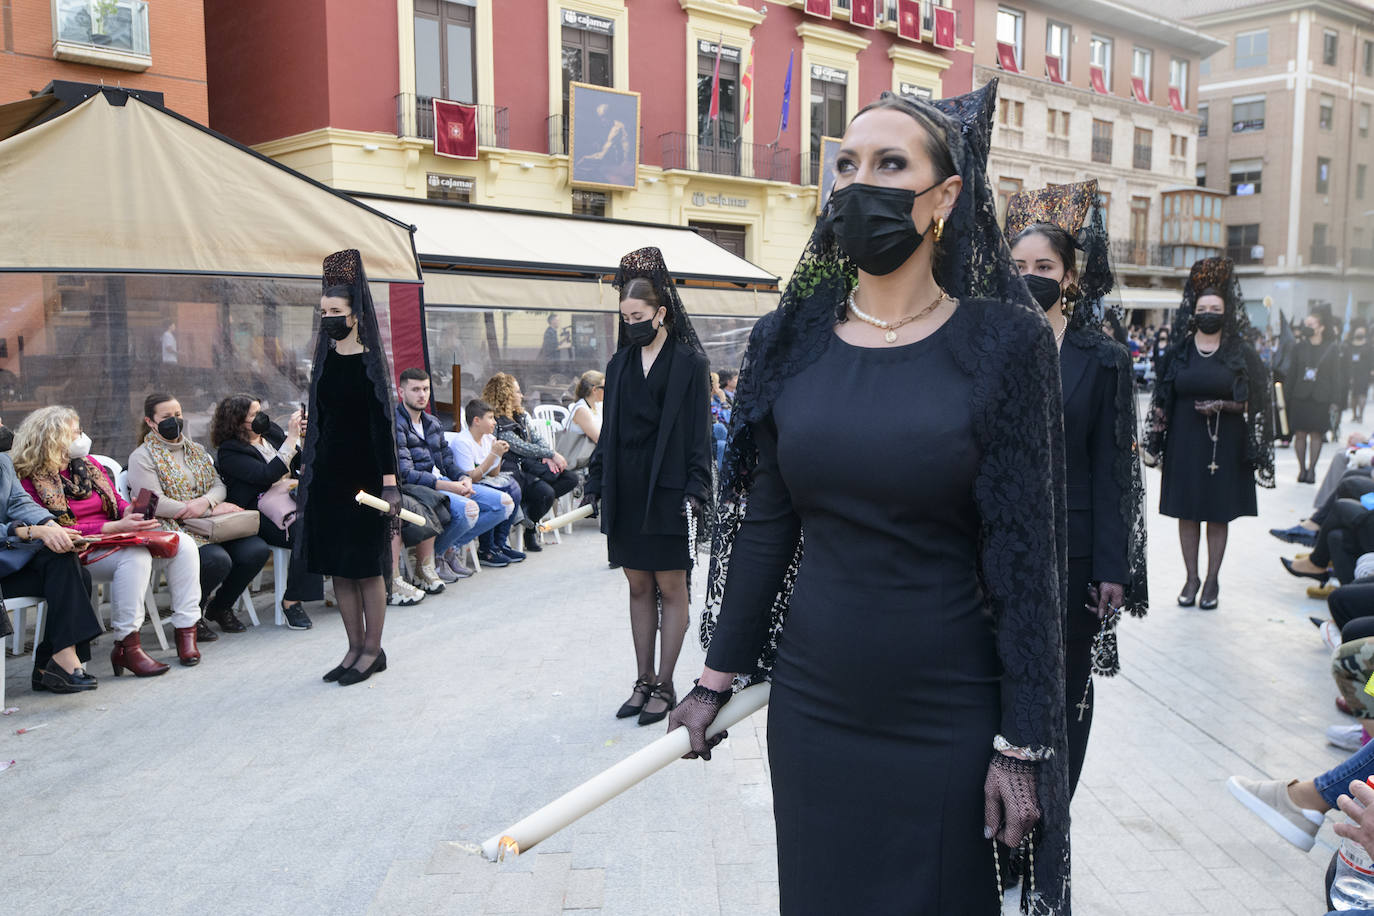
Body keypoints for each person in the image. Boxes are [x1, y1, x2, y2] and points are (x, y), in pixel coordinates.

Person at [669, 87, 1071, 913]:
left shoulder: (1005, 343)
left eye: (891, 164)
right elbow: (767, 526)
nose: (861, 184)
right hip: (815, 706)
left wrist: (1023, 741)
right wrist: (713, 677)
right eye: (846, 165)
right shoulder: (790, 336)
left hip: (950, 707)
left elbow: (1027, 555)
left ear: (945, 197)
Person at [1007, 179, 1148, 797]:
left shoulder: (1103, 358)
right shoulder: (989, 346)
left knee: (1065, 691)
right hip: (1000, 546)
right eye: (1019, 266)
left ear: (1068, 278)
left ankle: (1052, 818)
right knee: (1001, 684)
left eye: (1044, 265)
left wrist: (1114, 567)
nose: (1031, 275)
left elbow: (1117, 468)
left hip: (1075, 552)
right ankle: (1000, 822)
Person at [582, 248, 713, 727]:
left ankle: (665, 681)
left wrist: (696, 489)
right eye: (624, 317)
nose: (631, 324)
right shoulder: (618, 365)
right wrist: (596, 481)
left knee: (670, 585)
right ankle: (642, 681)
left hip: (671, 487)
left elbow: (699, 437)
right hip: (627, 485)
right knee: (637, 584)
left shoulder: (690, 364)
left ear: (661, 313)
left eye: (637, 316)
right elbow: (610, 431)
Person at [14, 407, 202, 674]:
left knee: (183, 543)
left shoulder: (89, 465)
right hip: (77, 550)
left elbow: (116, 500)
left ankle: (186, 630)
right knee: (136, 557)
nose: (82, 436)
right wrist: (113, 526)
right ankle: (127, 645)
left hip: (116, 536)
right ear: (52, 437)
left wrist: (129, 510)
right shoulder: (30, 478)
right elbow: (54, 527)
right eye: (74, 432)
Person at [1144, 258, 1275, 610]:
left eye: (1215, 308)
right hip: (1185, 441)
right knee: (1187, 513)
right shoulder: (1178, 352)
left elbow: (1261, 399)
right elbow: (1162, 399)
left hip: (1226, 444)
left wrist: (1225, 405)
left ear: (1226, 311)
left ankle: (1212, 580)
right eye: (1203, 308)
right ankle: (1191, 577)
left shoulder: (1241, 352)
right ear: (1193, 310)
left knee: (1217, 514)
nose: (1209, 313)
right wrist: (1154, 443)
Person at [297, 249, 400, 686]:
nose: (328, 319)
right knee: (340, 568)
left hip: (365, 481)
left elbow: (383, 429)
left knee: (366, 567)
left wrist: (391, 485)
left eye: (335, 312)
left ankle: (373, 651)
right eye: (323, 312)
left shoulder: (370, 364)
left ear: (356, 314)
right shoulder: (324, 361)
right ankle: (353, 647)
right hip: (327, 478)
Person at [128, 392, 270, 637]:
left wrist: (206, 503)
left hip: (210, 523)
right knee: (217, 560)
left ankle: (221, 606)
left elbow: (219, 485)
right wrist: (201, 509)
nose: (174, 420)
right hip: (172, 526)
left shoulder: (195, 449)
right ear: (151, 422)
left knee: (255, 550)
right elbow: (152, 503)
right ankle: (191, 615)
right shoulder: (141, 457)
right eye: (166, 417)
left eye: (178, 415)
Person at [0, 422, 103, 694]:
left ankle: (57, 660)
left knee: (65, 559)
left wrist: (53, 527)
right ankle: (53, 663)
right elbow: (19, 523)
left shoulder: (1, 460)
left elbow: (18, 502)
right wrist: (30, 531)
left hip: (7, 558)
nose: (2, 426)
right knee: (71, 571)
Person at [211, 394, 320, 630]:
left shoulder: (269, 434)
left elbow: (301, 461)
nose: (261, 418)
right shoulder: (230, 451)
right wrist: (291, 439)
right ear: (237, 421)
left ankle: (349, 584)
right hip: (256, 512)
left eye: (260, 411)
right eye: (253, 415)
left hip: (287, 501)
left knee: (325, 520)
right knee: (305, 531)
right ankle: (292, 602)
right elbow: (266, 475)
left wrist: (303, 436)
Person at [394, 367, 511, 578]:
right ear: (401, 392)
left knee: (504, 504)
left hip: (445, 481)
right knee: (470, 510)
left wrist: (463, 478)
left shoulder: (432, 422)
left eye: (426, 389)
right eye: (415, 389)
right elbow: (406, 473)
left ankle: (448, 549)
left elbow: (447, 461)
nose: (422, 395)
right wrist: (449, 486)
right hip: (421, 488)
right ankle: (437, 558)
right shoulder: (396, 425)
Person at [482, 372, 578, 554]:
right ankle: (530, 527)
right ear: (506, 395)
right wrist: (551, 453)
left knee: (570, 478)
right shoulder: (497, 421)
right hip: (512, 471)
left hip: (529, 466)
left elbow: (537, 440)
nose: (522, 396)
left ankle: (529, 514)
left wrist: (550, 455)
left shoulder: (522, 415)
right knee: (546, 493)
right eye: (518, 392)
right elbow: (520, 447)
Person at [449, 399, 523, 567]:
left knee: (514, 487)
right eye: (490, 417)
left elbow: (494, 473)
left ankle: (500, 543)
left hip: (484, 481)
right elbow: (471, 477)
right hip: (467, 486)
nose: (494, 422)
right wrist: (492, 455)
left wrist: (499, 454)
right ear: (477, 420)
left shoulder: (488, 438)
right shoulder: (463, 442)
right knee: (498, 497)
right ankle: (486, 548)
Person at [1289, 306, 1343, 483]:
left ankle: (1312, 469)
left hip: (1321, 397)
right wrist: (1286, 398)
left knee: (1316, 434)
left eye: (1311, 324)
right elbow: (1292, 373)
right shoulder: (1298, 347)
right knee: (1300, 434)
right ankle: (1301, 469)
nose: (1307, 326)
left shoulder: (1332, 348)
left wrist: (1336, 400)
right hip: (1300, 396)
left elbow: (1337, 376)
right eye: (1306, 324)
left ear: (1321, 327)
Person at [561, 369, 604, 465]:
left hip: (593, 456)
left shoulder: (597, 406)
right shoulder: (581, 410)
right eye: (605, 387)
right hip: (579, 460)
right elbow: (599, 439)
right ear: (595, 390)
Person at [1349, 322, 1372, 423]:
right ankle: (1354, 415)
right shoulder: (1350, 345)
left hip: (1364, 373)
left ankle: (1360, 415)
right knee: (1353, 395)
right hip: (1352, 373)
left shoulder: (1368, 346)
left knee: (1362, 394)